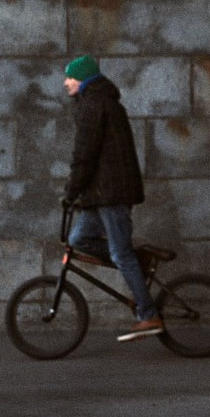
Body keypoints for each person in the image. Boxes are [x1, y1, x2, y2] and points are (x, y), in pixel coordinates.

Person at [61, 53, 163, 342]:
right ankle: (134, 261)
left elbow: (84, 155)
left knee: (119, 253)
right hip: (100, 194)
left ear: (84, 80)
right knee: (79, 240)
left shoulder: (95, 105)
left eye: (71, 77)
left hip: (111, 192)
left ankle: (149, 314)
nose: (66, 82)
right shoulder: (95, 102)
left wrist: (71, 192)